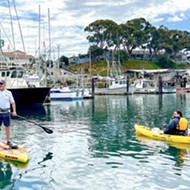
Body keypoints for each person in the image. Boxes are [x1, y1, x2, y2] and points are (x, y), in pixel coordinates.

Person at [0, 79, 18, 149]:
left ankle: (8, 141)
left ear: (4, 85)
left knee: (7, 126)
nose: (0, 85)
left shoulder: (9, 93)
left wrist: (14, 111)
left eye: (1, 84)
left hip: (6, 113)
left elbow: (13, 102)